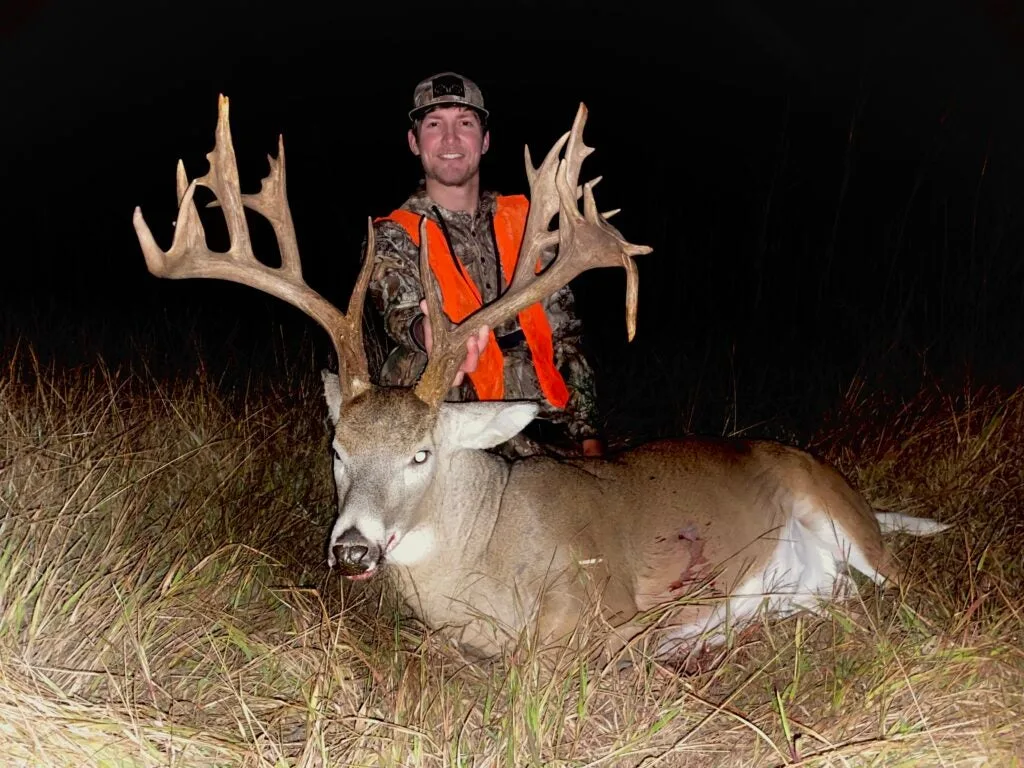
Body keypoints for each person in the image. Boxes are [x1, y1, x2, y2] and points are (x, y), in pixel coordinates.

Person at [364, 71, 605, 458]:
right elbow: (400, 312)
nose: (450, 139)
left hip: (543, 427)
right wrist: (426, 331)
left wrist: (590, 436)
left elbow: (565, 337)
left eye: (465, 123)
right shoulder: (395, 233)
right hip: (455, 429)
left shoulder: (530, 224)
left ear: (485, 140)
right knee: (409, 366)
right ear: (414, 141)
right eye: (434, 124)